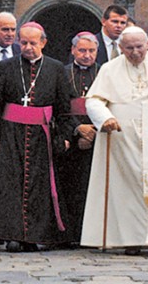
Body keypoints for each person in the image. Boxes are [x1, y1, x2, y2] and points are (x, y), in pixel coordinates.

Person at [80, 26, 148, 258]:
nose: (135, 52)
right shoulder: (110, 69)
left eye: (139, 46)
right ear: (120, 48)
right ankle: (130, 239)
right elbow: (93, 101)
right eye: (129, 48)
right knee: (125, 190)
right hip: (121, 137)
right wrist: (106, 118)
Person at [0, 22, 72, 252]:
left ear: (43, 42)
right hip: (10, 133)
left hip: (42, 137)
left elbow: (63, 107)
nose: (28, 47)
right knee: (11, 184)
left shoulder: (55, 68)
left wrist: (64, 135)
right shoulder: (4, 67)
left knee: (39, 186)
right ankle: (12, 235)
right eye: (23, 43)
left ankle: (35, 235)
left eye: (33, 43)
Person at [58, 32, 100, 244]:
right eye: (82, 50)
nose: (86, 55)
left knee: (92, 188)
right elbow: (60, 106)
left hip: (99, 138)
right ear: (73, 50)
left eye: (91, 51)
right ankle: (69, 234)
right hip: (69, 136)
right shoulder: (62, 73)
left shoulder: (104, 73)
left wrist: (92, 130)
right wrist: (78, 128)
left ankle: (91, 234)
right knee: (70, 187)